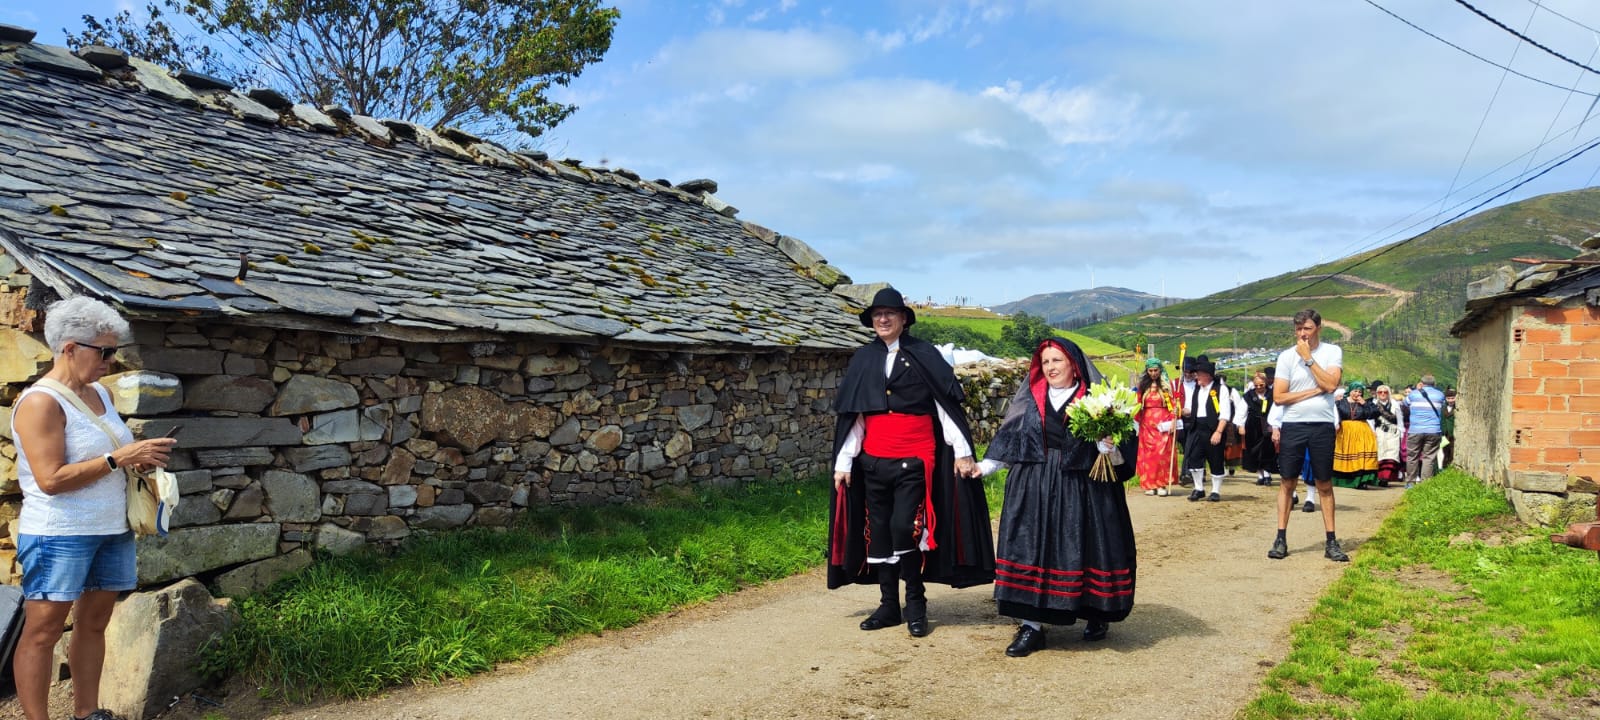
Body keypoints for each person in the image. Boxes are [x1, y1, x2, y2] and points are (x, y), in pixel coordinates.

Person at [10, 297, 179, 720]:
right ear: (70, 348)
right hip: (59, 532)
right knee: (44, 631)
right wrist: (118, 459)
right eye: (104, 351)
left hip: (110, 527)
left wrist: (139, 457)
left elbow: (105, 453)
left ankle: (87, 713)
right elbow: (50, 480)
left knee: (94, 624)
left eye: (114, 350)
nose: (111, 360)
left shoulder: (99, 393)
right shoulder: (41, 403)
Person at [828, 287, 994, 638]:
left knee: (906, 527)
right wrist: (844, 461)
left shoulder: (925, 354)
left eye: (890, 314)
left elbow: (944, 408)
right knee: (879, 532)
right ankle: (889, 606)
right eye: (877, 315)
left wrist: (962, 451)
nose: (883, 319)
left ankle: (915, 603)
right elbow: (856, 416)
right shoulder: (864, 359)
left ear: (904, 319)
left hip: (915, 460)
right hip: (873, 462)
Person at [978, 338, 1137, 657]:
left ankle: (1096, 613)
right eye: (1045, 362)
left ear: (1074, 365)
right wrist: (983, 467)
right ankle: (1031, 626)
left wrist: (1109, 446)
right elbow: (1010, 439)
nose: (1050, 367)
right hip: (1033, 484)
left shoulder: (1098, 398)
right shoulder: (1030, 399)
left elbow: (1125, 443)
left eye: (1057, 361)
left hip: (1084, 485)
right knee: (1031, 549)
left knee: (1088, 547)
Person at [1267, 309, 1348, 562]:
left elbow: (1332, 384)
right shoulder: (1286, 357)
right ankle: (1280, 538)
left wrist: (1309, 360)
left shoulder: (1331, 352)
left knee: (1324, 483)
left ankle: (1331, 541)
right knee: (1287, 482)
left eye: (1308, 329)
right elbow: (1279, 397)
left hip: (1322, 424)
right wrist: (1315, 391)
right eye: (1299, 329)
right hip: (1294, 424)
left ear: (1318, 329)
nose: (1303, 334)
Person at [1179, 357, 1245, 502]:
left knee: (1215, 459)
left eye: (1199, 374)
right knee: (1194, 459)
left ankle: (1215, 491)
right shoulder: (1197, 389)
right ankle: (1199, 488)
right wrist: (1181, 410)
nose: (1196, 376)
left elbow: (1225, 414)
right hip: (1196, 428)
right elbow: (1192, 408)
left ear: (1208, 375)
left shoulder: (1220, 390)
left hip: (1213, 429)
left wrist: (1218, 432)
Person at [1134, 358, 1180, 496]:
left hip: (1162, 423)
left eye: (1156, 370)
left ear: (1160, 370)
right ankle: (1149, 485)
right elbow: (1137, 405)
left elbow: (1172, 406)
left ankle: (1161, 484)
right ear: (1147, 371)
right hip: (1147, 424)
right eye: (1150, 371)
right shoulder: (1142, 387)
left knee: (1162, 455)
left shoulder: (1166, 387)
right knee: (1148, 455)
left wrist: (1174, 419)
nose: (1153, 373)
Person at [1331, 382, 1379, 489]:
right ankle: (1343, 480)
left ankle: (1361, 481)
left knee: (1361, 457)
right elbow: (1334, 415)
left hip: (1362, 432)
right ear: (1350, 391)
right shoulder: (1340, 403)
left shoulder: (1366, 403)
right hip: (1345, 432)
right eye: (1355, 391)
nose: (1357, 394)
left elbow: (1374, 414)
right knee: (1345, 454)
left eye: (1360, 392)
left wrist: (1364, 404)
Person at [1402, 375, 1447, 488]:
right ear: (1434, 384)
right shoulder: (1440, 395)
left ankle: (1411, 483)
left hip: (1415, 430)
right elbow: (1443, 405)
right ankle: (1425, 484)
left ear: (1421, 383)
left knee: (1412, 456)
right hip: (1433, 430)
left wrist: (1418, 389)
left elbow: (1405, 403)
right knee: (1429, 457)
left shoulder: (1413, 394)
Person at [1241, 369, 1278, 485]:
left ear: (1266, 383)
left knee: (1268, 450)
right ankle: (1260, 475)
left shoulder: (1272, 394)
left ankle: (1267, 474)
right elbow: (1241, 411)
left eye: (1261, 385)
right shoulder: (1248, 396)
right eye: (1256, 385)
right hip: (1252, 426)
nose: (1259, 387)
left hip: (1268, 425)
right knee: (1254, 451)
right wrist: (1240, 425)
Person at [1370, 384, 1405, 486]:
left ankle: (1386, 478)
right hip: (1380, 431)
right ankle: (1379, 477)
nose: (1382, 394)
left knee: (1392, 455)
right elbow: (1371, 420)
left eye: (1385, 392)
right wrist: (1372, 431)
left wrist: (1401, 433)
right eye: (1380, 392)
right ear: (1377, 394)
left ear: (1388, 393)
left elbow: (1399, 419)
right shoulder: (1374, 404)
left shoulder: (1395, 404)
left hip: (1393, 432)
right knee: (1380, 454)